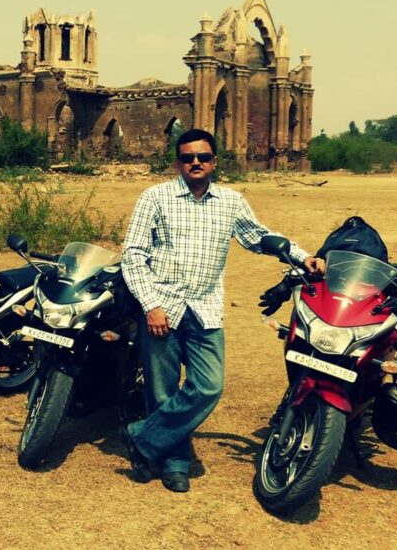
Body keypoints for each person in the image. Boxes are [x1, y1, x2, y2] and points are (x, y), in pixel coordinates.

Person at [119, 129, 325, 493]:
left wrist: (301, 256)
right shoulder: (155, 197)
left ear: (214, 162)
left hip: (205, 309)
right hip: (162, 308)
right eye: (187, 158)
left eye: (202, 157)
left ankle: (141, 437)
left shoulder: (230, 202)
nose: (195, 163)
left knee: (208, 386)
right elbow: (133, 255)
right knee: (162, 391)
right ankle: (175, 463)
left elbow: (258, 236)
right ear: (177, 163)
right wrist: (150, 305)